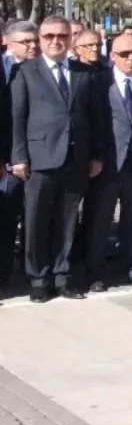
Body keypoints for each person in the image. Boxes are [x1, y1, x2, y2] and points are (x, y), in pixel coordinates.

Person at [11, 16, 104, 301]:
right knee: (37, 222)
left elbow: (95, 118)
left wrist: (96, 155)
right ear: (40, 39)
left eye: (62, 36)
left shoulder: (83, 72)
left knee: (67, 221)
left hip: (75, 158)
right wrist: (19, 156)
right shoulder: (25, 72)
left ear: (70, 40)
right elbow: (18, 117)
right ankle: (39, 278)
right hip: (39, 159)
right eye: (49, 36)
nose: (56, 41)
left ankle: (63, 276)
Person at [82, 33, 132, 290]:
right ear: (112, 56)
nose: (131, 59)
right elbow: (91, 123)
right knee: (100, 219)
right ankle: (94, 272)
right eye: (124, 54)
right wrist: (94, 157)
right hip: (108, 162)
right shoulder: (99, 83)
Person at [1, 19, 39, 285]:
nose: (32, 46)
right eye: (25, 42)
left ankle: (31, 269)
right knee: (5, 218)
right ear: (8, 42)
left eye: (34, 40)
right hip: (4, 158)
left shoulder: (41, 69)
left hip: (36, 155)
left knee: (33, 217)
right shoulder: (4, 69)